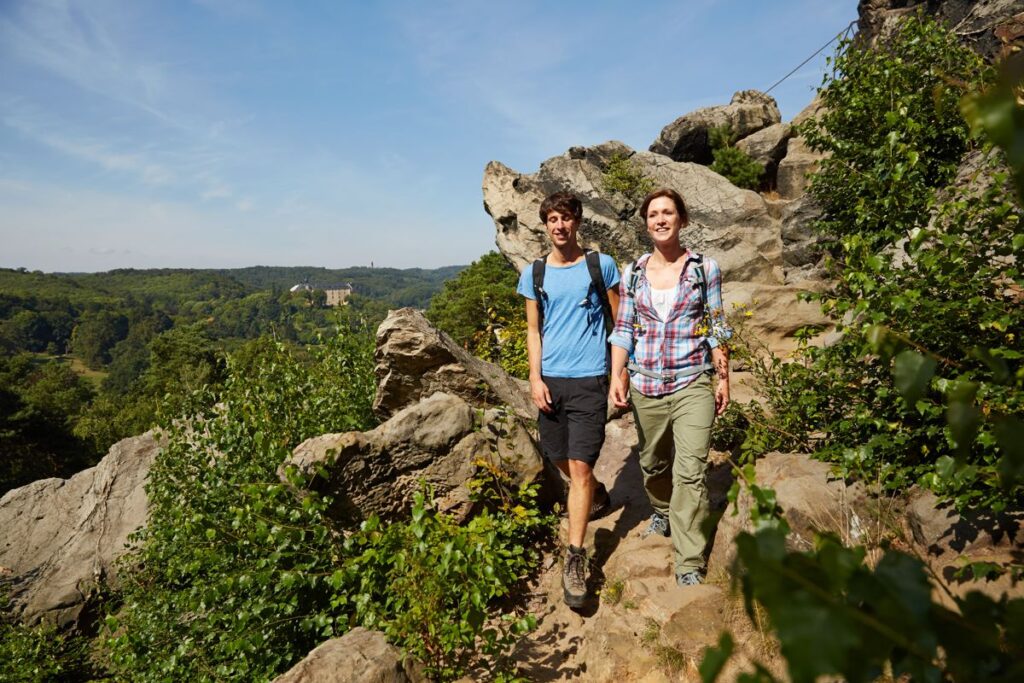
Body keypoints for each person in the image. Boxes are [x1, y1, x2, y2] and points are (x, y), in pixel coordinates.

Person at [608, 187, 730, 587]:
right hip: (646, 383)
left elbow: (716, 324)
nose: (660, 219)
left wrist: (723, 376)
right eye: (653, 214)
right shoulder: (634, 273)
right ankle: (661, 508)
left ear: (682, 219)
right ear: (646, 223)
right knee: (653, 464)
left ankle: (689, 561)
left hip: (692, 380)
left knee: (691, 473)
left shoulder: (703, 268)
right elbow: (624, 328)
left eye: (668, 212)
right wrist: (617, 376)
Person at [517, 191, 620, 608]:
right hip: (551, 382)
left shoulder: (600, 265)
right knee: (557, 455)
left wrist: (620, 373)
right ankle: (596, 493)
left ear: (578, 222)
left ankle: (575, 558)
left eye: (566, 218)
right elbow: (533, 331)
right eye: (552, 219)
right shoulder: (535, 273)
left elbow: (621, 320)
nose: (560, 226)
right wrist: (534, 377)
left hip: (590, 380)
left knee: (578, 468)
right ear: (545, 224)